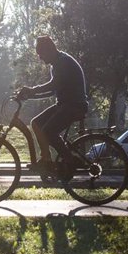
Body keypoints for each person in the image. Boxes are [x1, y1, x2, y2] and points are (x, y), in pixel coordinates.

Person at [17, 35, 88, 176]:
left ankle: (69, 160)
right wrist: (30, 95)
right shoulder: (56, 64)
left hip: (74, 106)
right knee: (36, 123)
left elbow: (53, 85)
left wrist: (32, 90)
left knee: (48, 131)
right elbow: (54, 90)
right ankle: (46, 159)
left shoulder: (63, 62)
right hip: (64, 105)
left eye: (41, 54)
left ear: (49, 50)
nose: (40, 58)